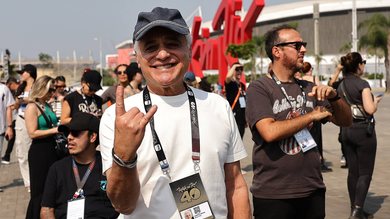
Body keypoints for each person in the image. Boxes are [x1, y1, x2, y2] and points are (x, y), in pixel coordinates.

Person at [99, 7, 251, 219]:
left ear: (188, 50)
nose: (162, 54)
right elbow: (122, 205)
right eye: (151, 47)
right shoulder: (118, 118)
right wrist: (124, 156)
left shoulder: (218, 105)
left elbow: (235, 185)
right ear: (138, 58)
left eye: (172, 44)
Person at [245, 25, 352, 219]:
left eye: (303, 44)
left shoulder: (309, 88)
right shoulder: (259, 88)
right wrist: (311, 116)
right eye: (297, 45)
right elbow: (269, 131)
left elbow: (346, 121)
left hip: (312, 190)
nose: (303, 49)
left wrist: (335, 97)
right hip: (274, 195)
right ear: (277, 51)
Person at [40, 112, 119, 219]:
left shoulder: (109, 166)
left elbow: (122, 205)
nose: (69, 137)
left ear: (92, 137)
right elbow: (47, 210)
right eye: (67, 133)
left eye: (75, 133)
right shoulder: (57, 168)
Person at [338, 52, 381, 219]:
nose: (364, 65)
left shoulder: (340, 85)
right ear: (358, 66)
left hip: (346, 130)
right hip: (364, 131)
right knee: (365, 173)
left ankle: (355, 209)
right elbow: (369, 109)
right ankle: (357, 212)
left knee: (353, 172)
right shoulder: (362, 83)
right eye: (363, 62)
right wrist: (375, 102)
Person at [24, 75, 61, 219]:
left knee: (51, 187)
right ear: (42, 88)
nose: (53, 92)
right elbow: (32, 133)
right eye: (51, 89)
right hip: (39, 152)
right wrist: (56, 130)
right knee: (39, 191)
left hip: (52, 149)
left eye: (54, 89)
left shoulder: (48, 105)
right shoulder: (32, 107)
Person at [301, 62, 332, 172]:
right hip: (316, 111)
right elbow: (320, 94)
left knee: (305, 137)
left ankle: (307, 160)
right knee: (317, 139)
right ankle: (318, 161)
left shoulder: (300, 79)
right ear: (310, 69)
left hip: (305, 111)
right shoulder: (314, 79)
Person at [14, 64, 36, 192]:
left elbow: (41, 99)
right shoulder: (20, 87)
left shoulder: (37, 86)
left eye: (23, 72)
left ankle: (36, 178)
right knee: (22, 153)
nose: (21, 75)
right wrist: (18, 101)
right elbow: (16, 106)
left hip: (35, 119)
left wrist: (28, 100)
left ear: (30, 73)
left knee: (35, 151)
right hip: (21, 120)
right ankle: (28, 183)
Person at [328, 63, 348, 168]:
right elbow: (331, 84)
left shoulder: (342, 83)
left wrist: (337, 70)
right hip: (353, 117)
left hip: (345, 115)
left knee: (344, 137)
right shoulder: (361, 83)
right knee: (343, 137)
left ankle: (346, 156)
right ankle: (347, 156)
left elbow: (331, 84)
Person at [225, 62, 247, 138]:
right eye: (237, 69)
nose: (239, 71)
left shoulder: (242, 85)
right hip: (234, 116)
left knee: (240, 139)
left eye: (241, 69)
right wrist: (234, 66)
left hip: (242, 117)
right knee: (234, 141)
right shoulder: (230, 84)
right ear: (233, 70)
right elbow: (227, 77)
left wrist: (245, 118)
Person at [2, 77, 19, 164]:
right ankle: (6, 156)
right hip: (15, 118)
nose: (8, 88)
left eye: (9, 86)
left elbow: (16, 105)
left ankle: (7, 156)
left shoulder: (19, 90)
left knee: (11, 137)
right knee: (11, 138)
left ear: (11, 84)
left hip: (17, 118)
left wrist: (9, 107)